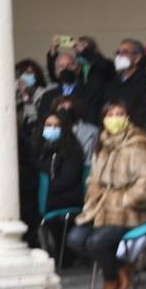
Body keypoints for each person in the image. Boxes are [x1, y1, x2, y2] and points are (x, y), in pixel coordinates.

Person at [67, 101, 146, 289]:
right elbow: (92, 179)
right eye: (110, 114)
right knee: (75, 238)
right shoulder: (102, 145)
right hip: (100, 208)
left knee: (97, 242)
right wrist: (93, 197)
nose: (115, 118)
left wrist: (126, 200)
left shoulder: (139, 143)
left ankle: (110, 279)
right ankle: (120, 268)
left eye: (119, 114)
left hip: (130, 212)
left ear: (127, 117)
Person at [33, 111, 86, 261]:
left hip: (67, 196)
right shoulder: (39, 149)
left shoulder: (72, 149)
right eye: (48, 125)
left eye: (57, 126)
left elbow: (68, 179)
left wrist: (44, 192)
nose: (52, 129)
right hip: (47, 195)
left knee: (34, 206)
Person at [46, 36, 111, 118]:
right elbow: (57, 73)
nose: (79, 49)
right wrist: (53, 51)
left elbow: (105, 67)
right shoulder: (74, 67)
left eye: (84, 47)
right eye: (76, 47)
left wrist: (84, 51)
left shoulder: (100, 67)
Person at [108, 38, 146, 128]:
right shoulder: (113, 81)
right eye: (118, 52)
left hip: (137, 129)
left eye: (124, 52)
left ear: (137, 58)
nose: (119, 56)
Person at [51, 95, 99, 161]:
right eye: (62, 108)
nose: (66, 111)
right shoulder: (51, 130)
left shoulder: (93, 131)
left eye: (69, 108)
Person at [15, 59, 57, 134]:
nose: (25, 77)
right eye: (22, 74)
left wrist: (25, 96)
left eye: (29, 73)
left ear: (37, 75)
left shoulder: (46, 93)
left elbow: (36, 118)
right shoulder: (17, 95)